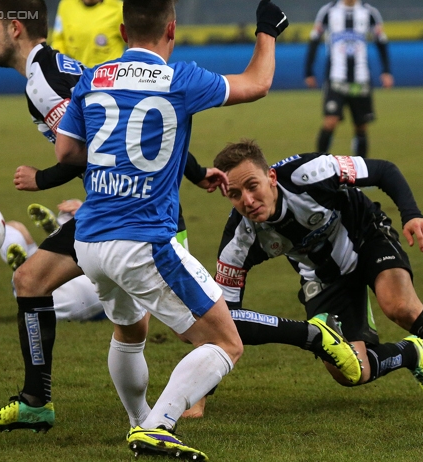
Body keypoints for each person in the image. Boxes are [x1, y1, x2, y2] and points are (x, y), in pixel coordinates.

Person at [0, 0, 231, 435]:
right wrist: (197, 170)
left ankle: (299, 339)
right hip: (123, 207)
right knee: (33, 282)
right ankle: (47, 403)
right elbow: (138, 125)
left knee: (199, 329)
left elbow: (91, 150)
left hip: (130, 212)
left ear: (14, 28)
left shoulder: (43, 82)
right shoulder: (55, 69)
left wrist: (43, 177)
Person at [54, 0, 292, 458]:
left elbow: (66, 152)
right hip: (143, 241)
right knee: (226, 342)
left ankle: (138, 420)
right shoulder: (180, 79)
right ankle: (158, 426)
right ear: (172, 29)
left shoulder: (92, 78)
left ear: (123, 30)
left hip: (89, 241)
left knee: (128, 331)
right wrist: (268, 30)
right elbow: (258, 83)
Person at [212, 139, 423, 419]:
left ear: (271, 178)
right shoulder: (238, 241)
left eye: (252, 186)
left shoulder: (310, 172)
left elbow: (384, 171)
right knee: (349, 372)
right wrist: (200, 395)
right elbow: (225, 324)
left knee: (400, 306)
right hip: (323, 278)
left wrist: (412, 214)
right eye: (235, 194)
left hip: (367, 236)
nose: (248, 200)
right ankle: (409, 353)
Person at [304, 0, 393, 157]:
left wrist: (386, 71)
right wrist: (308, 71)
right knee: (330, 121)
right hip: (336, 79)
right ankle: (317, 166)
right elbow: (314, 40)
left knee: (361, 126)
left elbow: (381, 42)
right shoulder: (328, 11)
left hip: (361, 79)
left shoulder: (369, 12)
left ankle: (360, 173)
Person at [51, 0, 126, 69]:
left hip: (107, 77)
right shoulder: (66, 5)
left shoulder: (118, 9)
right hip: (76, 76)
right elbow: (59, 40)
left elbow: (133, 41)